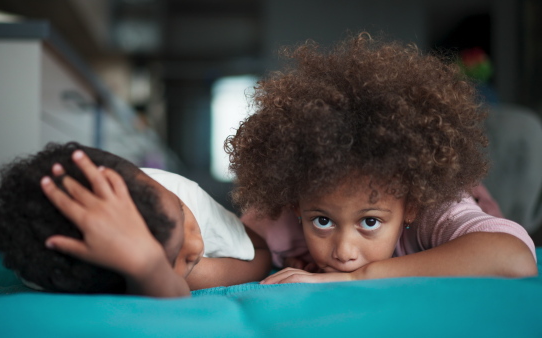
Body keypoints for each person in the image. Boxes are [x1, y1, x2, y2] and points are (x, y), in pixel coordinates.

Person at [224, 33, 538, 284]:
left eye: (370, 221)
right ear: (296, 204)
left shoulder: (435, 210)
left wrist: (359, 277)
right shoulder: (282, 214)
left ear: (411, 206)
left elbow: (514, 258)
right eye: (322, 221)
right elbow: (229, 248)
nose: (344, 253)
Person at [0, 142, 271, 297]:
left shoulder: (180, 195)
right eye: (175, 259)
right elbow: (173, 300)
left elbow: (261, 253)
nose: (195, 245)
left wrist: (199, 271)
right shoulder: (51, 273)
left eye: (184, 221)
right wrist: (150, 270)